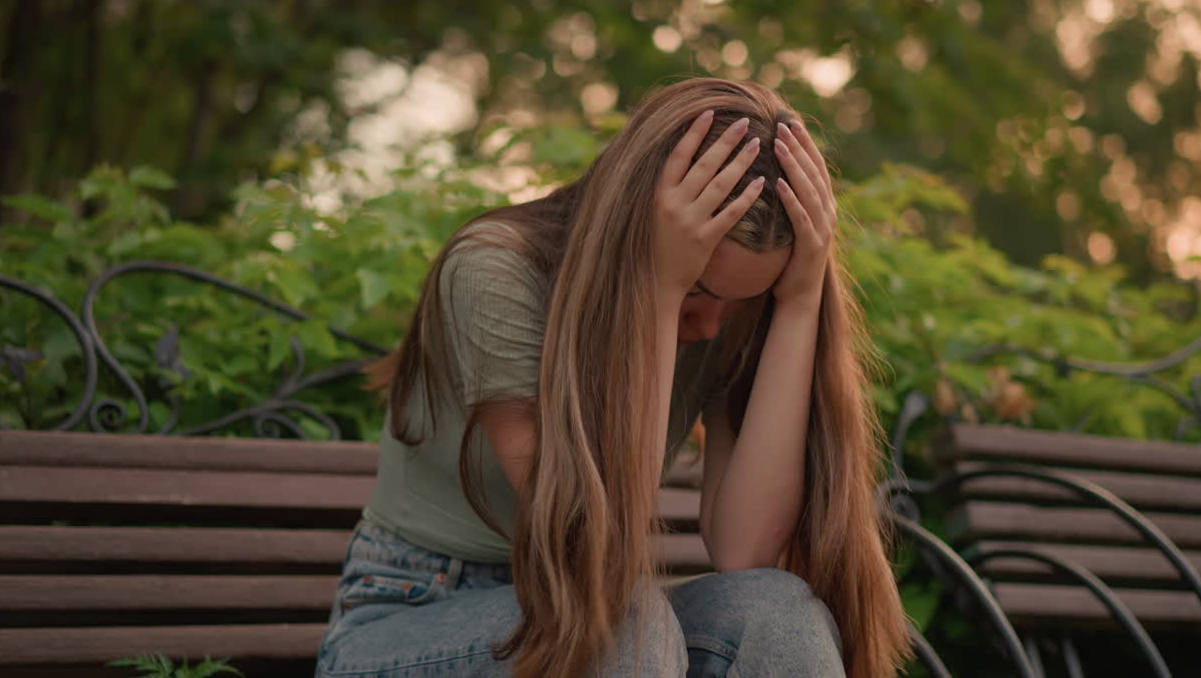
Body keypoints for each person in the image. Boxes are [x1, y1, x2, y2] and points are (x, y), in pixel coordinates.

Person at [315, 77, 911, 677]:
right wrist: (659, 291)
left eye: (739, 303)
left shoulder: (730, 314)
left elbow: (744, 549)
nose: (710, 327)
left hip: (595, 611)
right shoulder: (493, 271)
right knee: (622, 627)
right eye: (698, 292)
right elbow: (589, 543)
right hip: (414, 610)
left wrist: (800, 301)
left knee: (777, 613)